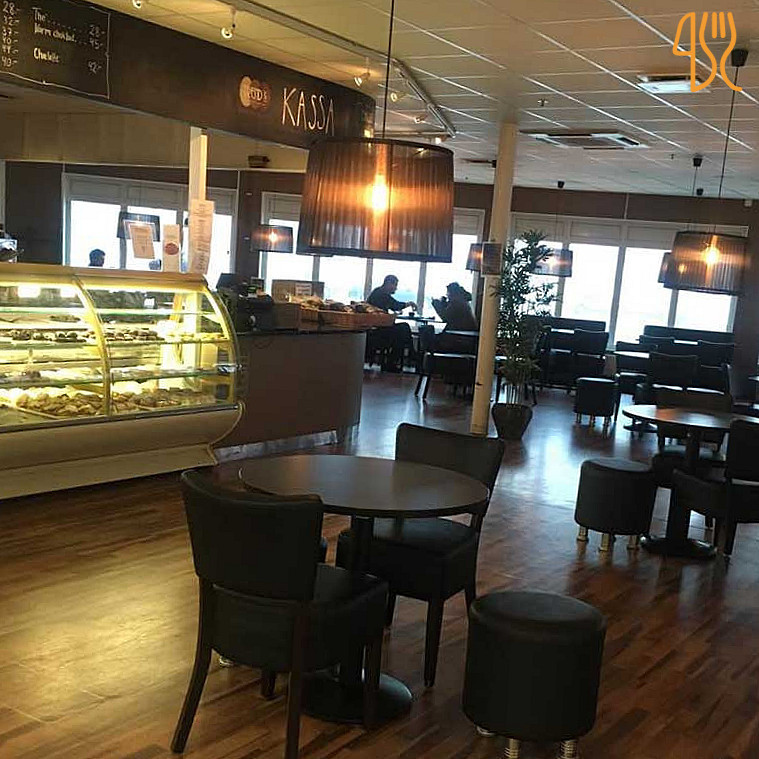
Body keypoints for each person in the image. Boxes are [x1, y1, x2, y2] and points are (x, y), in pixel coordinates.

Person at [366, 275, 416, 373]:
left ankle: (401, 357)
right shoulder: (381, 294)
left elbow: (393, 306)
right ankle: (405, 356)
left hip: (377, 329)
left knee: (402, 331)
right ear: (388, 284)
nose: (396, 288)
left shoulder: (379, 292)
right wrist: (409, 304)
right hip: (376, 331)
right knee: (403, 329)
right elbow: (395, 305)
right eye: (395, 285)